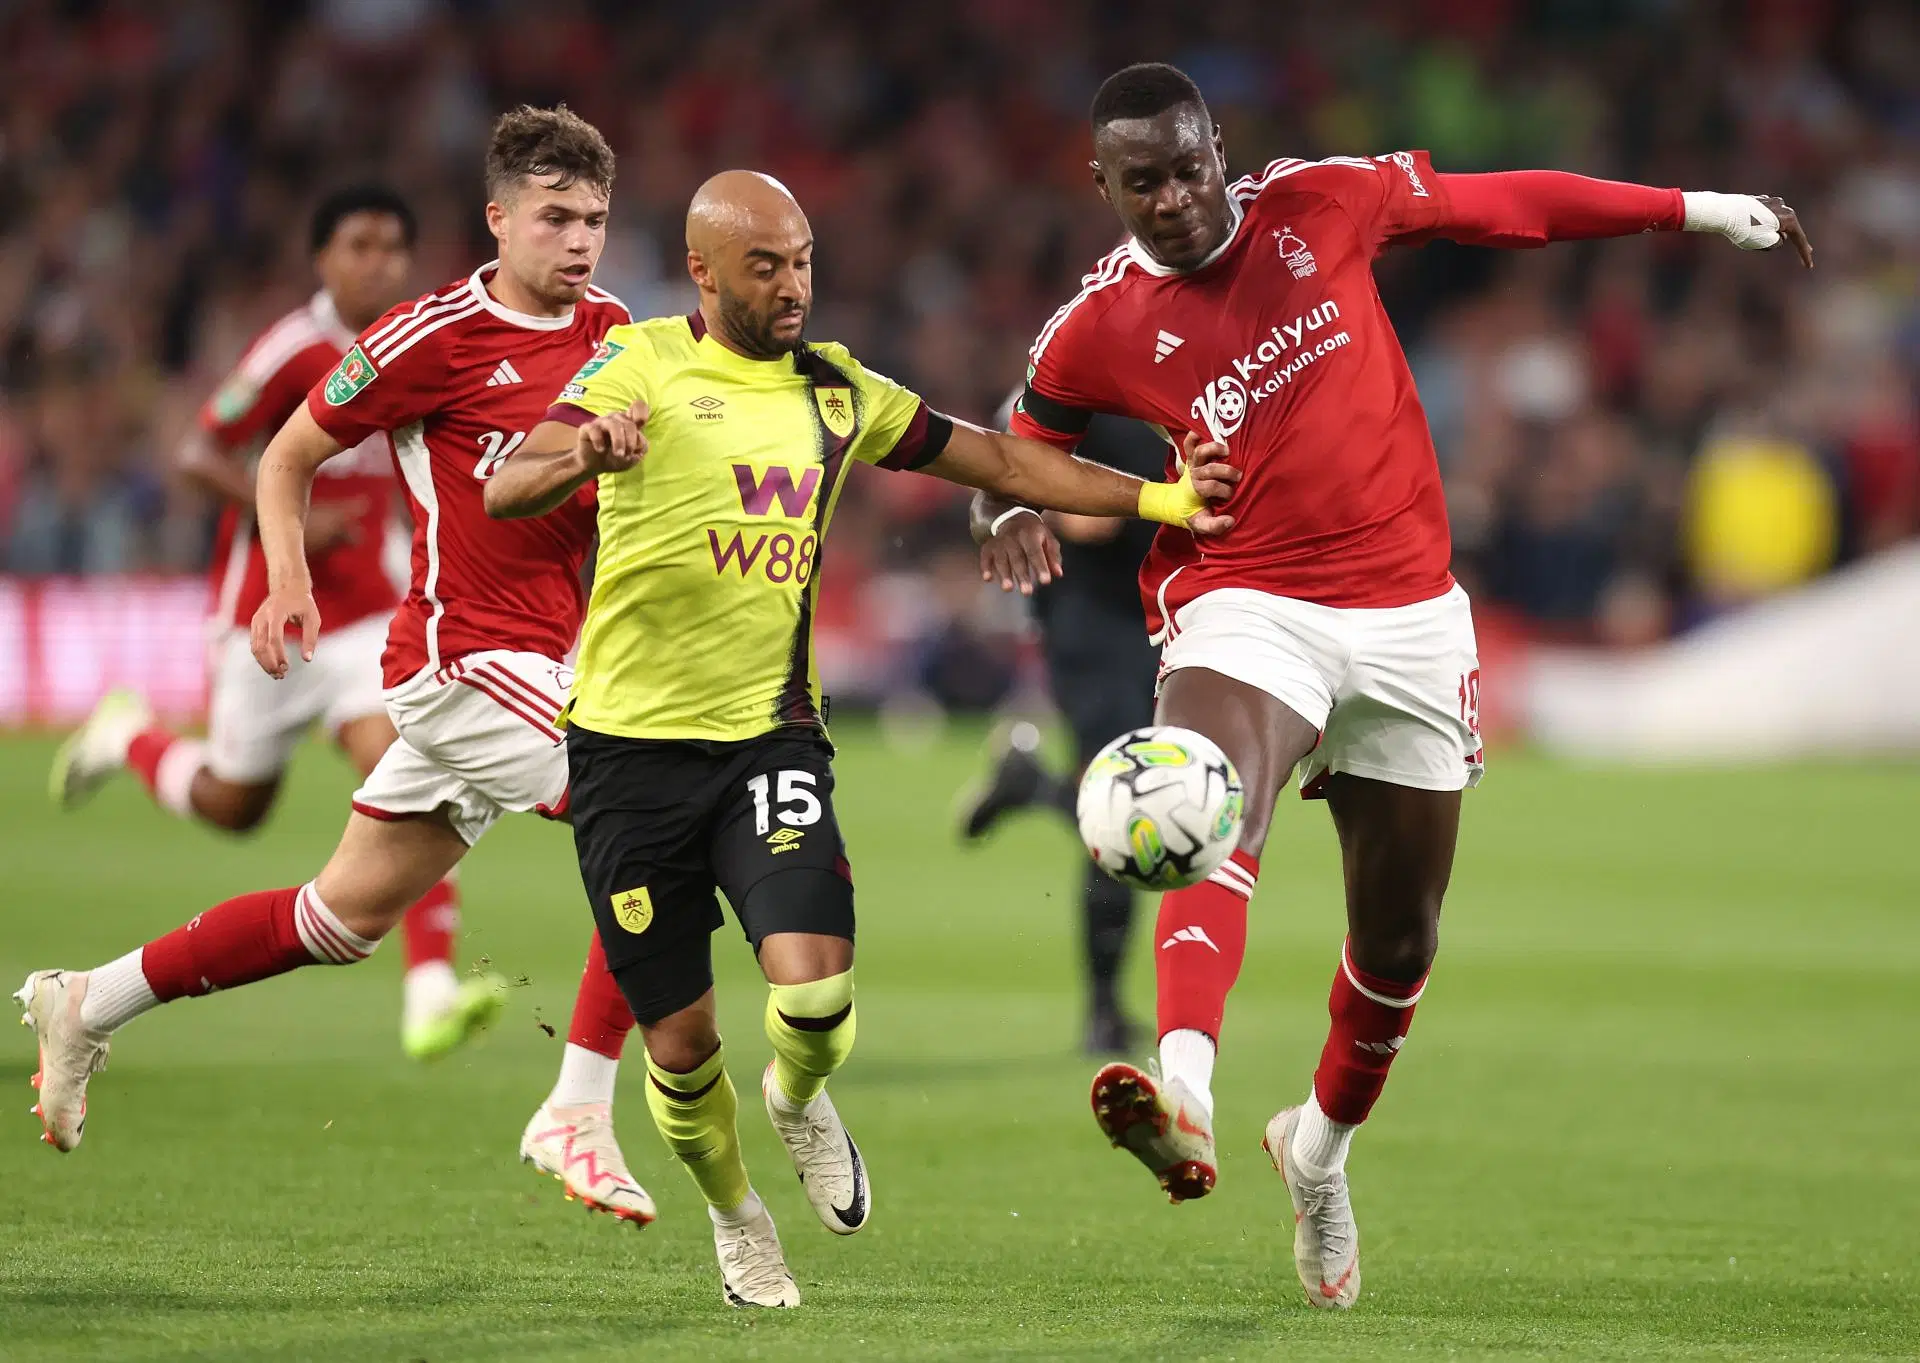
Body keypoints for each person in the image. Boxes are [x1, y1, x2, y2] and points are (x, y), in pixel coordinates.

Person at [971, 62, 1813, 1309]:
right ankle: (1184, 1090)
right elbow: (1019, 432)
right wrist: (1004, 502)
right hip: (1245, 596)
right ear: (1102, 186)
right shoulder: (1098, 322)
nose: (1173, 198)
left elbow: (1505, 205)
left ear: (1220, 148)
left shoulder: (1320, 203)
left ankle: (1317, 1151)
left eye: (1189, 165)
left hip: (1413, 614)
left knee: (1401, 940)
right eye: (1139, 180)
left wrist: (1692, 206)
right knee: (1205, 801)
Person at [483, 169, 1238, 1309]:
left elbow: (998, 458)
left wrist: (1165, 502)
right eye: (765, 267)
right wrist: (584, 455)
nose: (794, 287)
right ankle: (739, 1218)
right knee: (681, 1048)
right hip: (629, 756)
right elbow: (507, 484)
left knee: (817, 997)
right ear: (702, 270)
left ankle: (797, 1097)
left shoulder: (841, 391)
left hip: (769, 740)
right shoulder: (636, 362)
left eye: (804, 261)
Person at [15, 106, 655, 1228]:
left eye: (596, 219)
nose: (581, 241)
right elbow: (287, 452)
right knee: (654, 814)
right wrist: (287, 578)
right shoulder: (430, 336)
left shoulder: (616, 332)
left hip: (543, 663)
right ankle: (579, 1110)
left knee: (335, 918)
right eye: (556, 217)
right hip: (458, 663)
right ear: (498, 219)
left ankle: (88, 999)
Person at [46, 187, 486, 1059]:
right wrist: (293, 519)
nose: (380, 264)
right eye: (359, 246)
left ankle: (430, 987)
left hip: (371, 616)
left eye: (394, 247)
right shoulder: (293, 348)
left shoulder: (417, 344)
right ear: (322, 258)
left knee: (411, 765)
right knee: (235, 803)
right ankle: (128, 735)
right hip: (269, 611)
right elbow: (199, 451)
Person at [959, 395, 1168, 1056]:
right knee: (1126, 805)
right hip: (1093, 616)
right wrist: (1046, 501)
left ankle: (1033, 785)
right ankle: (1103, 1010)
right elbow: (1007, 449)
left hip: (1165, 608)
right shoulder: (1080, 368)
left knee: (1159, 799)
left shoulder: (1188, 370)